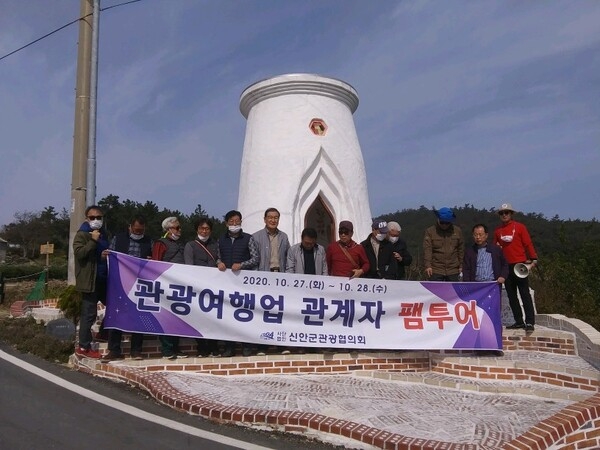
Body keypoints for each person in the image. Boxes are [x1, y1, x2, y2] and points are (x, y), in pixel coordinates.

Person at [103, 215, 152, 362]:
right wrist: (106, 255)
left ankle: (136, 350)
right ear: (129, 227)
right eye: (136, 230)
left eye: (141, 231)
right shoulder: (118, 239)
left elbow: (155, 261)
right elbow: (109, 256)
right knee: (116, 315)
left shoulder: (149, 241)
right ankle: (114, 350)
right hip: (119, 283)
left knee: (139, 316)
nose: (138, 233)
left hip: (140, 285)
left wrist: (151, 261)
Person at [216, 210, 259, 357]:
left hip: (243, 283)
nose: (234, 224)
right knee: (228, 315)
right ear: (226, 223)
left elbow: (255, 259)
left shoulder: (248, 238)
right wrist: (219, 263)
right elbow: (217, 256)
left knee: (245, 315)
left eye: (237, 221)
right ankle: (229, 347)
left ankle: (247, 346)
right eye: (231, 221)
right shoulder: (221, 239)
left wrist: (242, 264)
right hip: (226, 283)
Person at [463, 223, 509, 357]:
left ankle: (496, 346)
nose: (478, 237)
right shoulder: (470, 251)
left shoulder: (496, 250)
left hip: (492, 288)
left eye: (480, 235)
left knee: (494, 317)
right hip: (477, 288)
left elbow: (505, 265)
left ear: (486, 235)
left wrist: (502, 277)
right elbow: (466, 270)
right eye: (475, 235)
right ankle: (480, 346)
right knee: (477, 318)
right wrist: (468, 286)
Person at [493, 203, 538, 332]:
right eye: (502, 213)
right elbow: (495, 249)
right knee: (512, 295)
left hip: (520, 264)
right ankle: (518, 321)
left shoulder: (520, 227)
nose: (504, 215)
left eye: (507, 212)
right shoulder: (497, 231)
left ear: (511, 214)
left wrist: (533, 259)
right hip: (506, 266)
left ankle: (529, 322)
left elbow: (528, 243)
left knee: (524, 293)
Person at [73, 205, 110, 359]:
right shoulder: (82, 234)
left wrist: (103, 256)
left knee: (115, 306)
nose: (96, 220)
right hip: (89, 281)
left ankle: (104, 332)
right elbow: (80, 254)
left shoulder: (105, 234)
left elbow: (100, 256)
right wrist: (93, 241)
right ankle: (84, 346)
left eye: (99, 217)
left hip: (104, 279)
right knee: (88, 314)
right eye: (92, 218)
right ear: (87, 219)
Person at [152, 216, 188, 360]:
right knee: (166, 317)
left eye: (179, 227)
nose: (179, 230)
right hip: (165, 285)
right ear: (168, 229)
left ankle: (176, 346)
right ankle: (167, 348)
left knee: (177, 317)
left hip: (180, 285)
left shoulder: (183, 244)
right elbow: (156, 262)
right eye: (176, 227)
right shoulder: (161, 243)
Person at [184, 217, 220, 357]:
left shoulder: (215, 244)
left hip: (213, 287)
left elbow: (218, 259)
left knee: (214, 318)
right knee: (198, 319)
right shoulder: (190, 245)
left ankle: (213, 346)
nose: (204, 231)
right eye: (201, 228)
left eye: (207, 229)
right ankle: (202, 347)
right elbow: (189, 266)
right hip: (197, 288)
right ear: (197, 230)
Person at [423, 207, 464, 281]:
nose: (444, 225)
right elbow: (427, 250)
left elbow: (461, 249)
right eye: (442, 222)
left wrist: (461, 265)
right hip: (436, 269)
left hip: (453, 269)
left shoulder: (457, 231)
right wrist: (428, 265)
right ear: (438, 219)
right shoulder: (430, 231)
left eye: (447, 223)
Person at [253, 208, 290, 273]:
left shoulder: (284, 236)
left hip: (280, 273)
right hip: (263, 274)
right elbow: (253, 259)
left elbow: (289, 256)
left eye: (276, 218)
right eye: (270, 217)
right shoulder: (256, 237)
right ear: (265, 219)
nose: (273, 220)